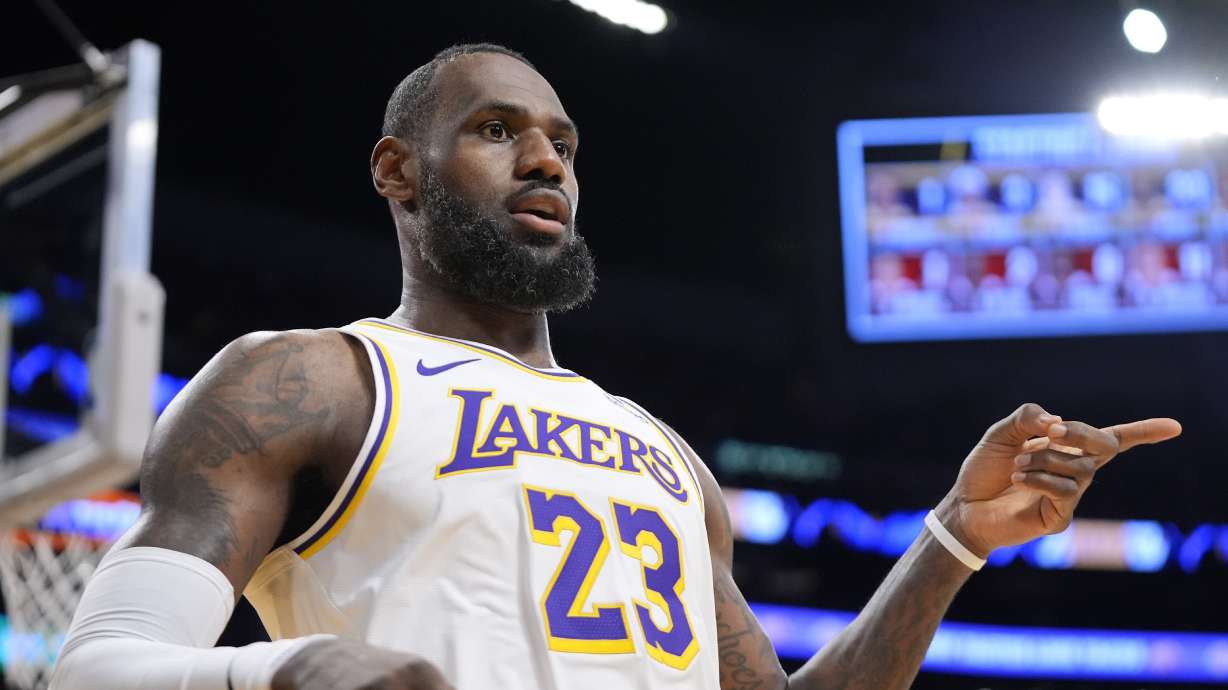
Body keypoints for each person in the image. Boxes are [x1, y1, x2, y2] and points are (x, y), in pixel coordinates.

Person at [49, 44, 1182, 690]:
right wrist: (282, 673)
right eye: (497, 130)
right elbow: (99, 665)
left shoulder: (668, 457)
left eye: (563, 143)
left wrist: (949, 541)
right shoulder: (309, 382)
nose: (545, 159)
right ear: (398, 171)